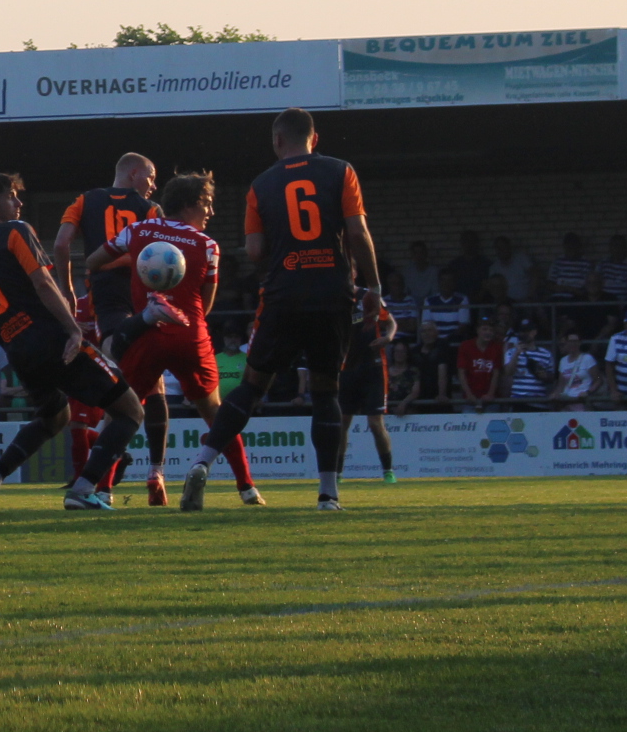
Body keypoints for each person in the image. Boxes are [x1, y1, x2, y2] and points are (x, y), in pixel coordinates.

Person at [180, 108, 383, 512]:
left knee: (253, 386)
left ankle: (202, 462)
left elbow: (255, 250)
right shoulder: (341, 171)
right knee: (325, 390)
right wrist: (374, 286)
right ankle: (328, 494)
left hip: (282, 294)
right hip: (332, 294)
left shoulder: (261, 185)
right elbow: (358, 231)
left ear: (277, 141)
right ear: (314, 138)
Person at [0, 172, 149, 510]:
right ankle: (83, 489)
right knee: (130, 411)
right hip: (50, 339)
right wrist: (73, 329)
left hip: (18, 349)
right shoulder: (16, 231)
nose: (18, 202)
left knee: (54, 417)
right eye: (11, 196)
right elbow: (43, 283)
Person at [89, 172, 262, 504]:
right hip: (189, 334)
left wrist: (141, 262)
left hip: (145, 333)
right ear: (189, 204)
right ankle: (247, 488)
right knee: (215, 413)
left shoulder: (138, 231)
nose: (211, 212)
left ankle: (102, 490)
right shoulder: (207, 245)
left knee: (120, 413)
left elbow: (95, 262)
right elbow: (206, 305)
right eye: (207, 204)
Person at [50, 154, 158, 353]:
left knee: (113, 339)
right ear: (134, 174)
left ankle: (118, 371)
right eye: (151, 178)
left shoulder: (85, 200)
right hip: (142, 283)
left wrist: (67, 289)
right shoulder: (151, 208)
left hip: (105, 285)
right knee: (146, 343)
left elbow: (60, 244)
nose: (154, 186)